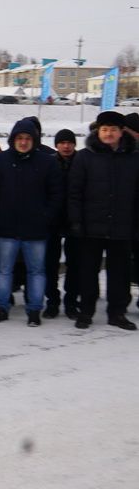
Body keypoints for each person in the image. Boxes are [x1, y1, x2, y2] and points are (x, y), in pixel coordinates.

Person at [0, 119, 63, 327]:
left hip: (36, 230)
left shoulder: (47, 162)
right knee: (4, 270)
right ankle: (1, 307)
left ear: (34, 140)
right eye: (20, 138)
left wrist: (46, 216)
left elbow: (56, 194)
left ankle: (34, 310)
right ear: (12, 139)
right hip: (6, 228)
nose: (24, 142)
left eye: (27, 138)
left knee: (36, 271)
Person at [68, 111, 139, 331]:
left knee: (120, 273)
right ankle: (86, 311)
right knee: (88, 272)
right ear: (98, 131)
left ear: (121, 132)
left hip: (122, 226)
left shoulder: (134, 157)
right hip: (91, 226)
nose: (109, 134)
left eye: (113, 130)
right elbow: (74, 192)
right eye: (105, 129)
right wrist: (76, 222)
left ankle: (117, 313)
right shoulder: (85, 157)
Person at [44, 128, 80, 319]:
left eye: (69, 142)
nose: (66, 146)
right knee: (50, 264)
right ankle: (52, 301)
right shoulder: (49, 162)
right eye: (62, 143)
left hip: (75, 221)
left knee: (75, 265)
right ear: (56, 145)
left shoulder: (82, 162)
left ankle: (71, 302)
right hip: (53, 221)